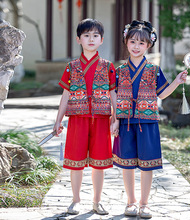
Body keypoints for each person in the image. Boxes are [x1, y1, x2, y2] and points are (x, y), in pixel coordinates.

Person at [111, 20, 188, 219]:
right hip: (126, 121)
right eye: (133, 41)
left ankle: (144, 204)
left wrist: (177, 82)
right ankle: (131, 202)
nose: (136, 46)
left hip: (148, 122)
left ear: (149, 45)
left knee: (147, 164)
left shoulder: (154, 70)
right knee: (127, 164)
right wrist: (114, 119)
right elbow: (115, 98)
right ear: (126, 42)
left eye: (141, 43)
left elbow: (162, 94)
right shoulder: (118, 71)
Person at [54, 18, 116, 215]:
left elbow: (113, 93)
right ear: (78, 39)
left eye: (95, 35)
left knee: (99, 163)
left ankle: (97, 201)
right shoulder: (71, 67)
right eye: (86, 35)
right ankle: (76, 200)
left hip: (100, 120)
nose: (91, 39)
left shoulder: (108, 66)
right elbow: (65, 95)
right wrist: (58, 121)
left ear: (102, 40)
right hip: (77, 120)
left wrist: (117, 118)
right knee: (76, 162)